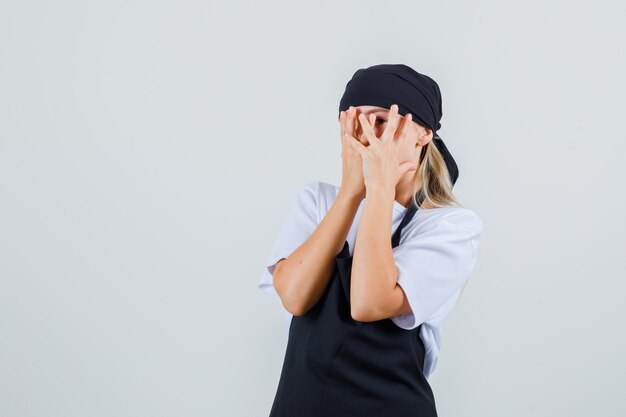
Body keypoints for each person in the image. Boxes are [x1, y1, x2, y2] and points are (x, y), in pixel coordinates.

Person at [258, 64, 484, 416]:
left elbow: (368, 303)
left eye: (381, 121)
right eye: (353, 122)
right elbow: (295, 296)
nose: (366, 136)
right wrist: (350, 193)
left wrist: (380, 189)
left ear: (422, 133)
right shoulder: (318, 201)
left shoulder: (451, 227)